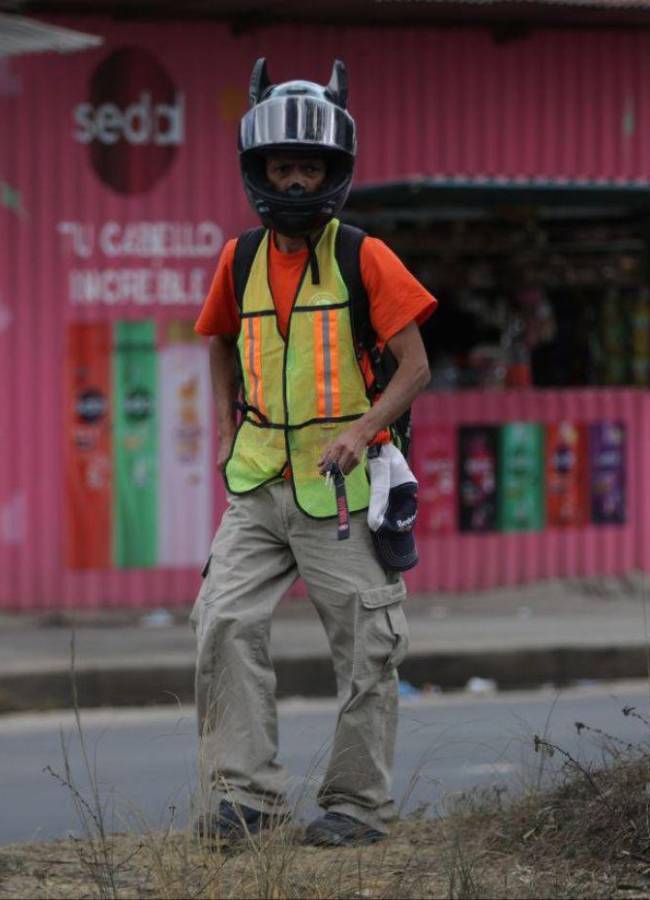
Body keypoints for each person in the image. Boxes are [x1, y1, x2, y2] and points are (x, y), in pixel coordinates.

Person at [191, 57, 437, 848]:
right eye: (280, 167)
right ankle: (247, 800)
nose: (293, 183)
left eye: (309, 168)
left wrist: (363, 431)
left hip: (344, 492)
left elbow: (416, 365)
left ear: (333, 174)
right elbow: (219, 339)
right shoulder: (239, 259)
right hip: (260, 486)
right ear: (256, 170)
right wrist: (228, 425)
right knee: (223, 622)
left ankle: (358, 807)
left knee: (367, 644)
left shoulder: (366, 257)